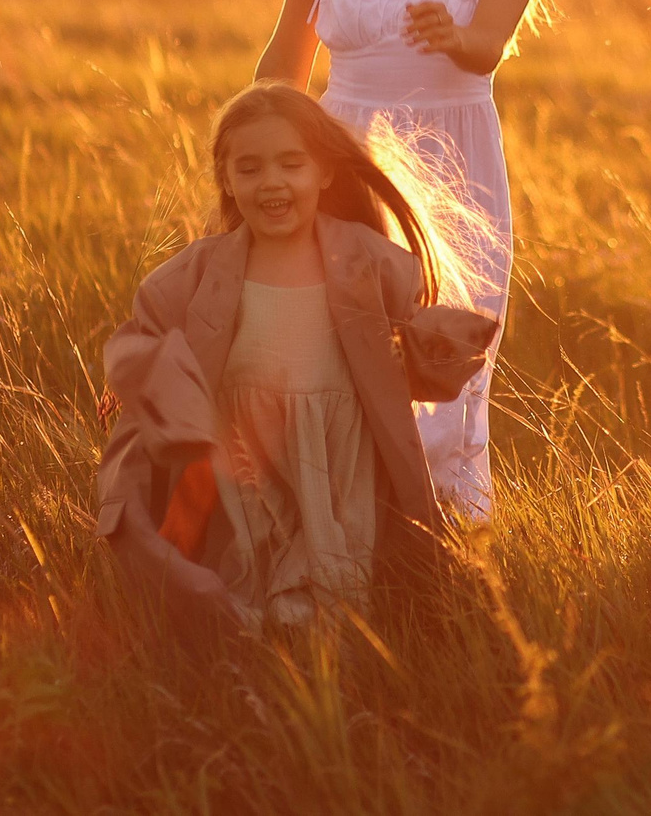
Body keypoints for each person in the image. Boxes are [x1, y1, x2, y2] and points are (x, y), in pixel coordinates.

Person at [254, 0, 544, 520]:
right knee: (331, 353)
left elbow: (487, 45)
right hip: (344, 159)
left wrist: (458, 39)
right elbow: (286, 52)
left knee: (443, 361)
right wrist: (257, 156)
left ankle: (442, 553)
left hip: (458, 166)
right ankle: (330, 540)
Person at [95, 84, 497, 633]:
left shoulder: (369, 263)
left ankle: (339, 696)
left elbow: (399, 360)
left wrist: (437, 346)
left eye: (292, 164)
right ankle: (243, 686)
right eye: (251, 168)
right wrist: (140, 379)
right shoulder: (195, 276)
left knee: (333, 611)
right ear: (228, 181)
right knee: (246, 597)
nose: (273, 183)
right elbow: (146, 340)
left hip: (336, 467)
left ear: (325, 172)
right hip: (245, 467)